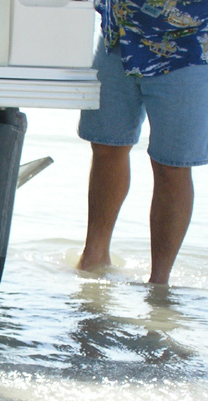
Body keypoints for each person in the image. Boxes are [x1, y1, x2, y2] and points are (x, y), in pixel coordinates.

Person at [76, 0, 208, 285]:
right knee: (105, 146)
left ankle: (159, 281)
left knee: (172, 165)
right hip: (119, 36)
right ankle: (93, 258)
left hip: (189, 46)